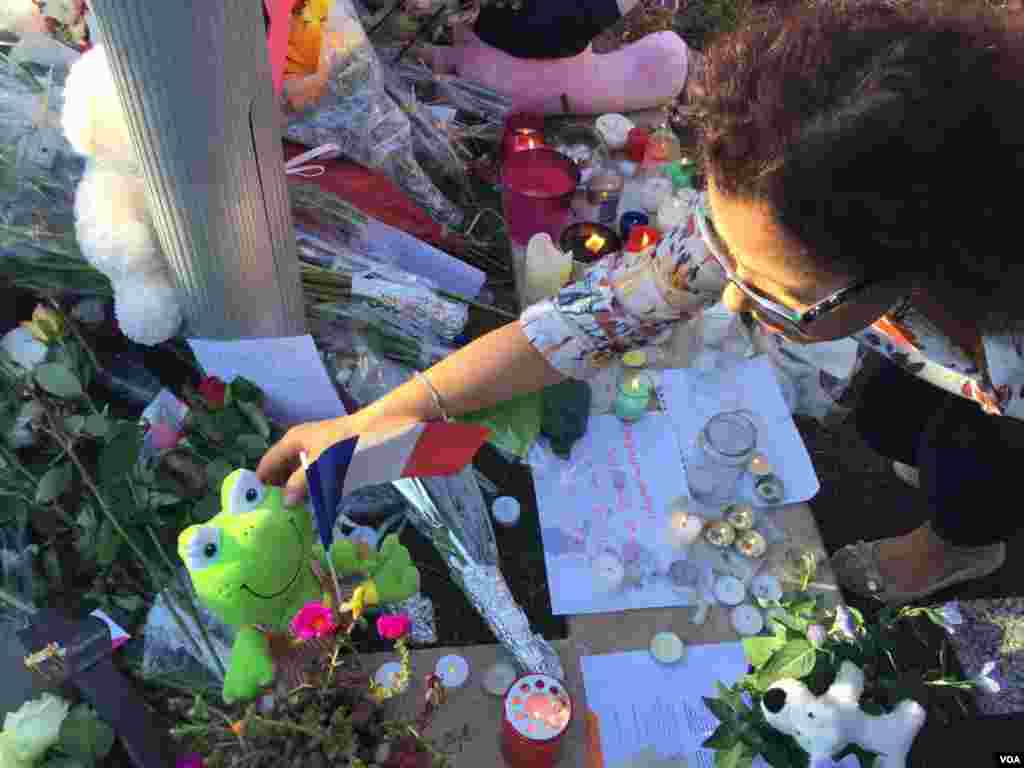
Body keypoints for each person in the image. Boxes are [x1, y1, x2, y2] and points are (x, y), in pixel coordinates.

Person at [259, 0, 1024, 606]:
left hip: (999, 400)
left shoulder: (1005, 336)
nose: (724, 296)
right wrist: (372, 421)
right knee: (893, 414)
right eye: (722, 252)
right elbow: (573, 328)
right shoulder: (797, 214)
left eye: (780, 298)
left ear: (917, 262)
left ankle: (963, 542)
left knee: (978, 458)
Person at [403, 0, 699, 115]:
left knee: (669, 57)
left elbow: (551, 35)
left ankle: (448, 60)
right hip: (495, 55)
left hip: (535, 66)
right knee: (669, 57)